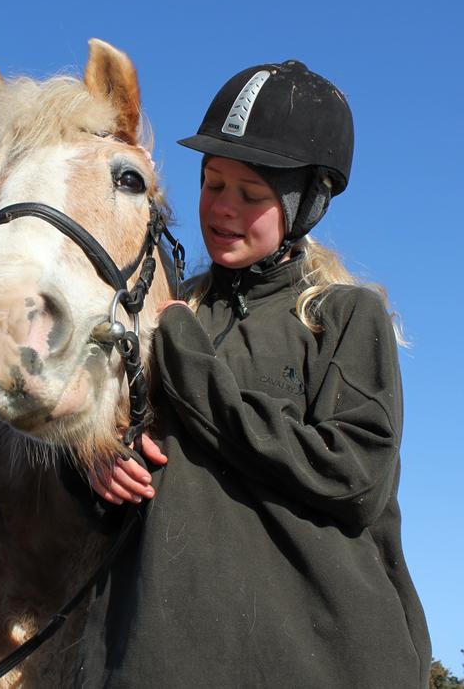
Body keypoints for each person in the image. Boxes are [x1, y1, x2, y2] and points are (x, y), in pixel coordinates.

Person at [76, 60, 432, 687]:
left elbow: (354, 480)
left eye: (251, 194)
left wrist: (185, 355)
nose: (222, 208)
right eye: (213, 183)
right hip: (156, 661)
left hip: (321, 665)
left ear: (304, 204)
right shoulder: (164, 312)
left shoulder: (344, 315)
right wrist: (95, 457)